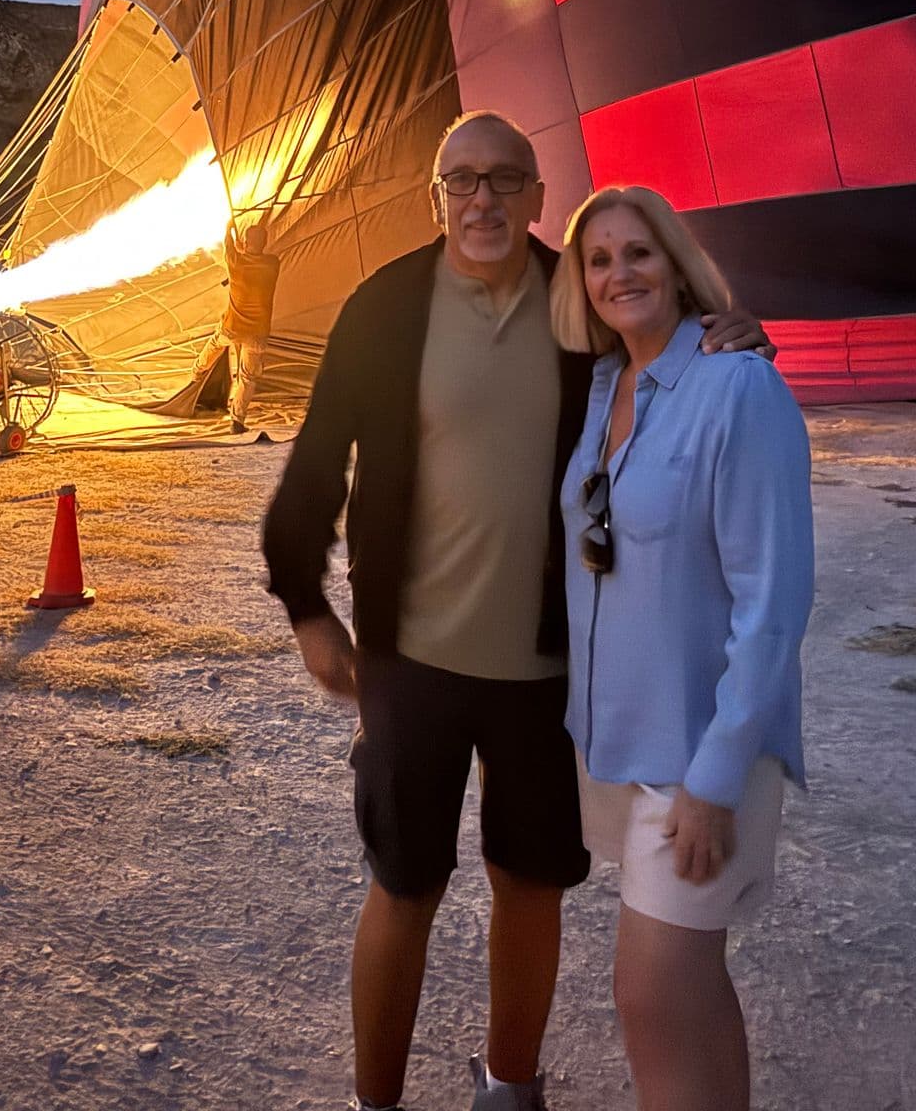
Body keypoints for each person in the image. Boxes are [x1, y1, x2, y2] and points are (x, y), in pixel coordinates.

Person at [261, 114, 772, 1111]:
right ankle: (377, 1103)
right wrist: (308, 604)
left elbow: (680, 365)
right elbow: (319, 458)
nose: (482, 198)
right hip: (409, 658)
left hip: (551, 666)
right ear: (437, 195)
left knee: (530, 880)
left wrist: (738, 337)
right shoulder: (386, 307)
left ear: (541, 196)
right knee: (405, 882)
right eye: (462, 179)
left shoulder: (581, 301)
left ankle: (510, 1087)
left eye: (504, 178)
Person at [550, 186, 813, 1111]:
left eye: (640, 252)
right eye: (599, 259)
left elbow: (774, 599)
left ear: (678, 263)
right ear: (579, 284)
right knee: (692, 987)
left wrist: (715, 777)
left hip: (703, 754)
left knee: (650, 993)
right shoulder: (602, 386)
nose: (620, 273)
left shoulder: (737, 384)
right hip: (624, 739)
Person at [196, 217, 280, 434]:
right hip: (257, 335)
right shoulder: (272, 264)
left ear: (245, 241)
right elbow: (241, 250)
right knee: (248, 378)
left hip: (232, 328)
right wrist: (242, 245)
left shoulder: (236, 262)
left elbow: (228, 245)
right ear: (265, 242)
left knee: (215, 343)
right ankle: (237, 420)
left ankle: (197, 372)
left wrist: (230, 229)